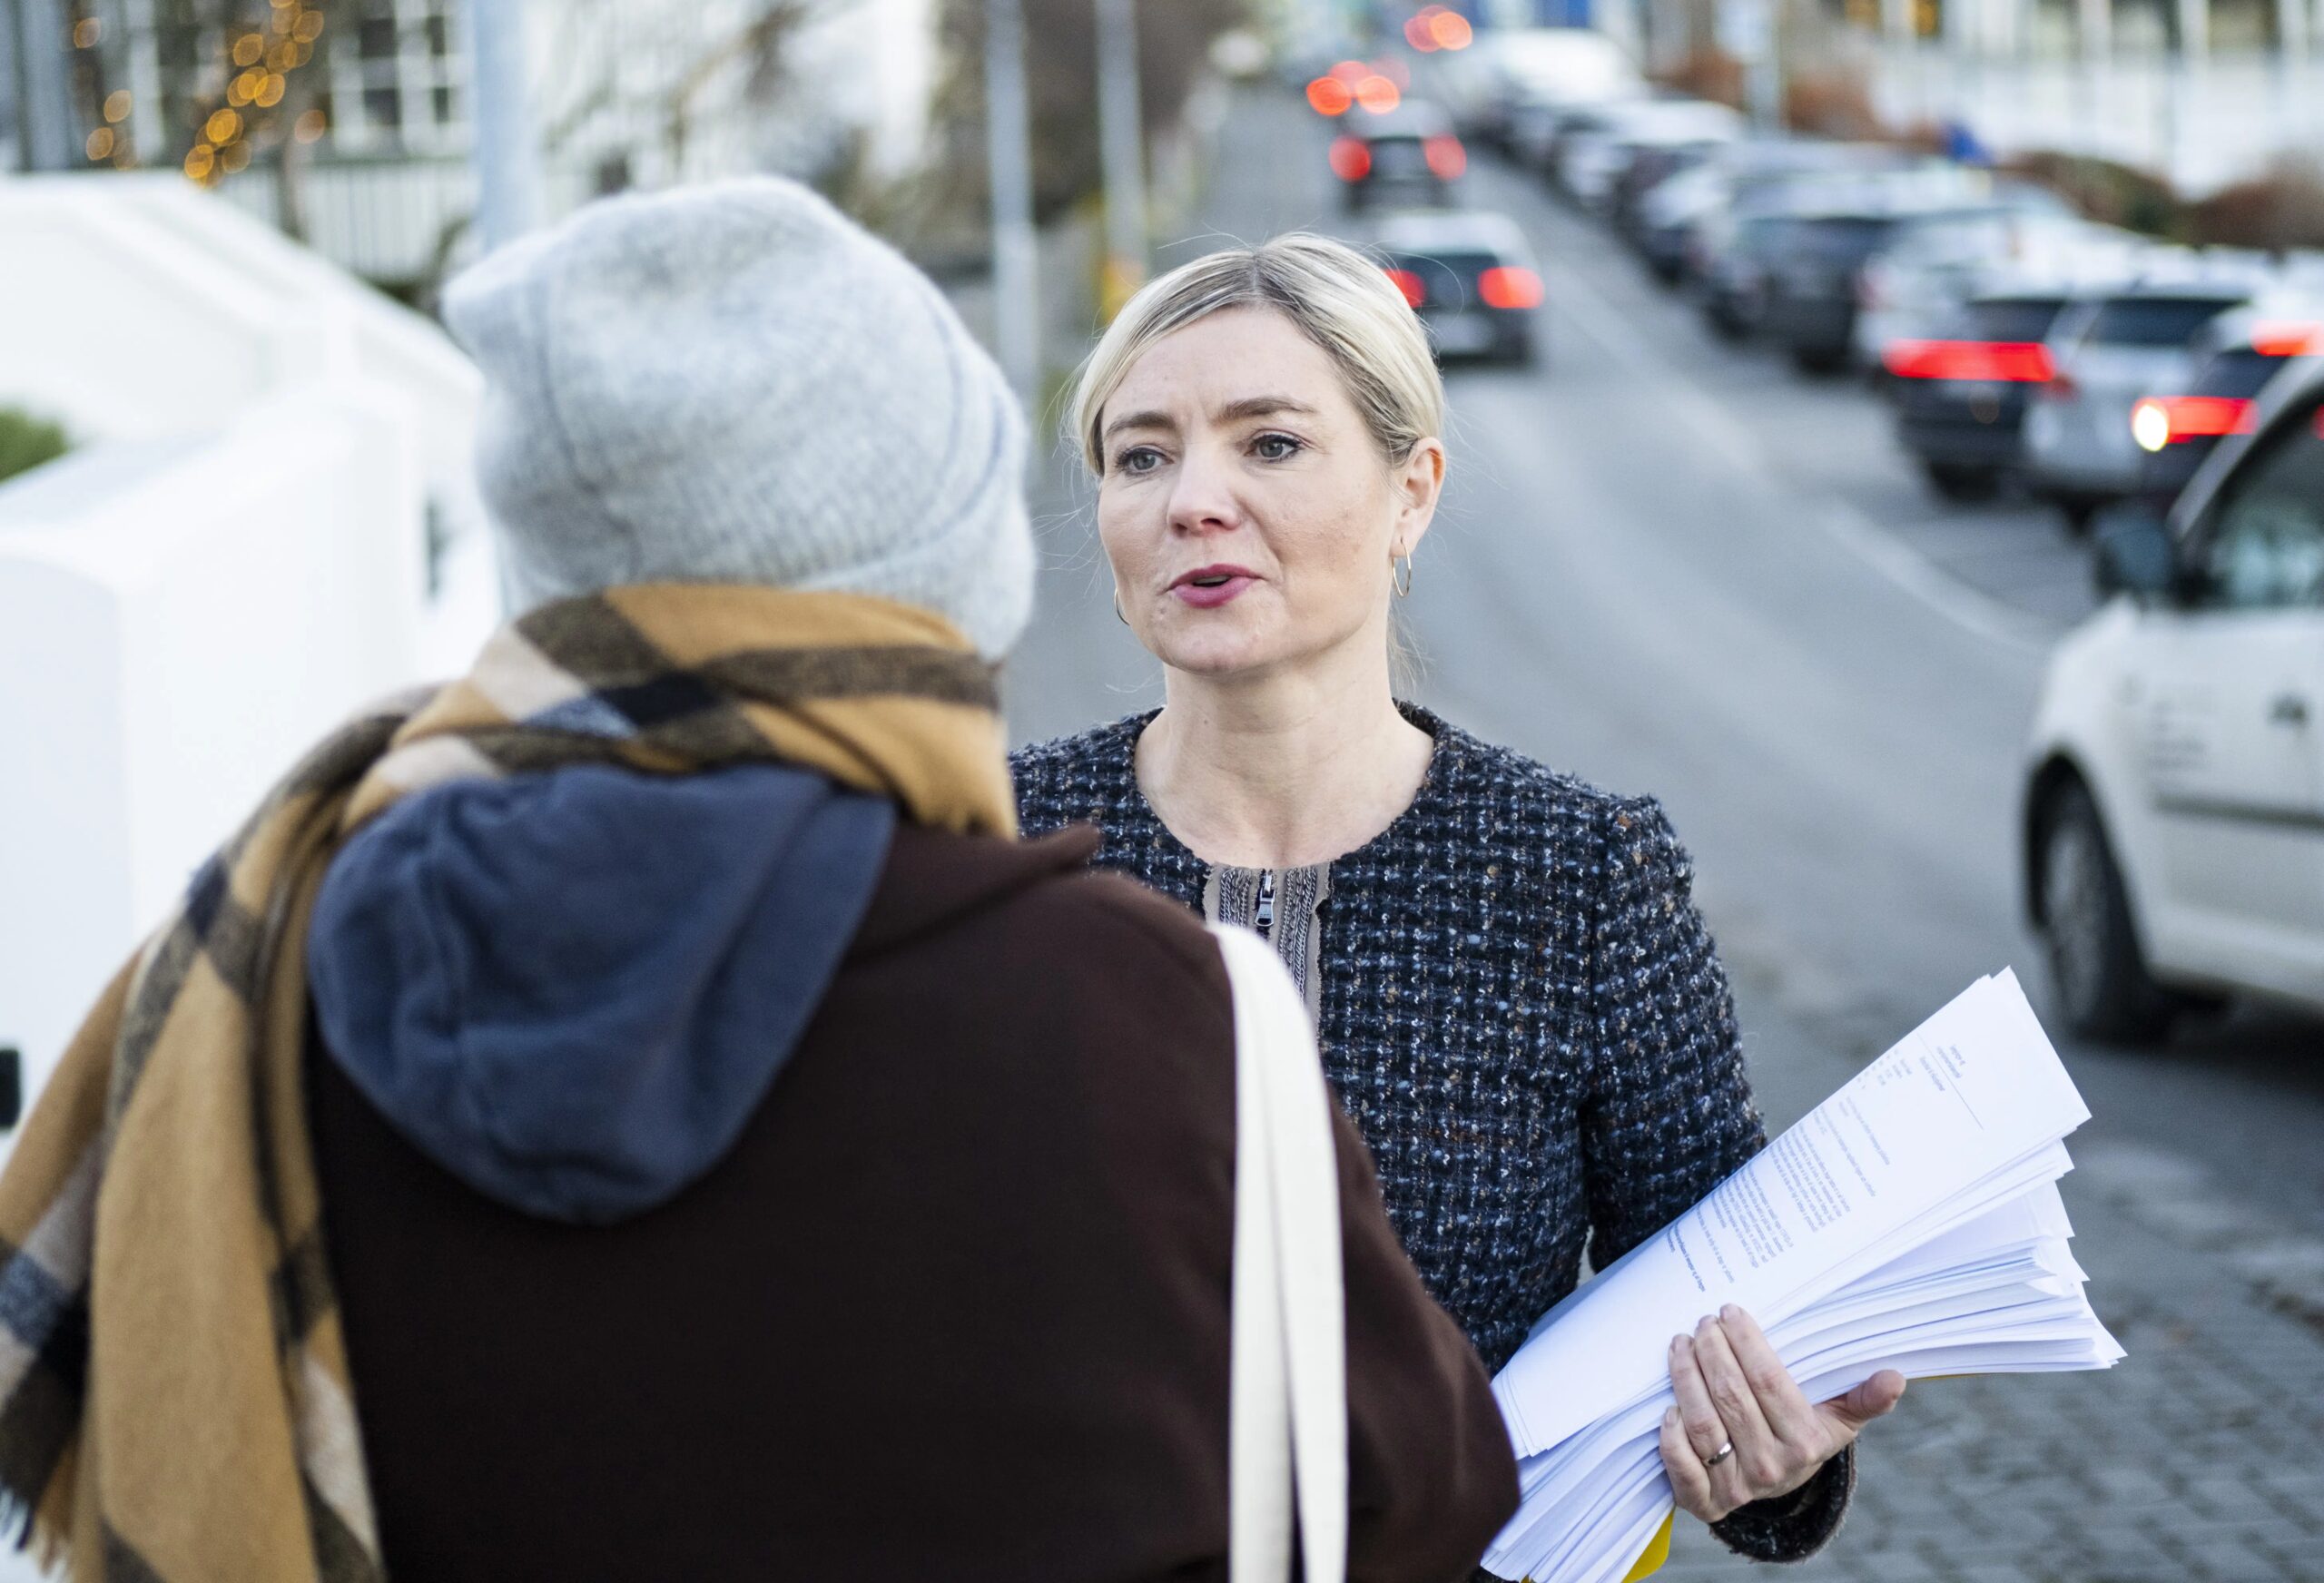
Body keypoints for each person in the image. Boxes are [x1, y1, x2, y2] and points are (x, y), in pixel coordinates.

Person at [0, 182, 1519, 1581]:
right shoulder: (1148, 1015)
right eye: (1137, 453)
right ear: (939, 565)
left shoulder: (266, 983)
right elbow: (1411, 1494)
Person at [1011, 232, 1907, 1565]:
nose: (1193, 497)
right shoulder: (999, 850)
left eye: (1269, 444)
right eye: (1141, 455)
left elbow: (1739, 1357)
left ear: (1411, 491)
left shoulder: (1582, 875)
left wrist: (1775, 1454)